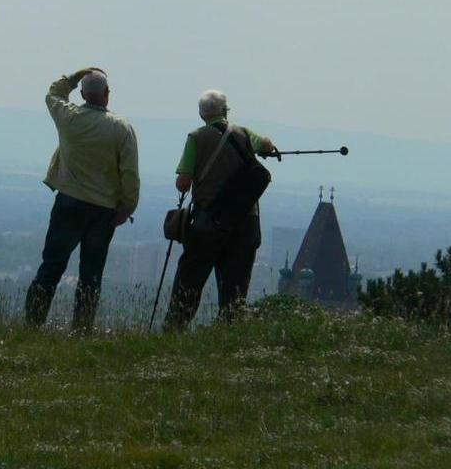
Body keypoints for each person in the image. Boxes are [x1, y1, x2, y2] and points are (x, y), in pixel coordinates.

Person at [25, 67, 140, 331]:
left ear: (84, 94)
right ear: (107, 95)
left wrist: (76, 76)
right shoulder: (121, 128)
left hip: (68, 203)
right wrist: (127, 206)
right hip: (103, 211)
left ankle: (32, 323)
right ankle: (82, 328)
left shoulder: (70, 118)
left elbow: (53, 94)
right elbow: (130, 173)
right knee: (91, 275)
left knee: (51, 266)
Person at [163, 90, 276, 330]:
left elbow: (183, 182)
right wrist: (265, 148)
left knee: (190, 279)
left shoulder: (196, 137)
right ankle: (228, 332)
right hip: (245, 223)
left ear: (201, 114)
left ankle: (175, 327)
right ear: (226, 111)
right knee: (235, 286)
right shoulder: (243, 134)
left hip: (207, 222)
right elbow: (266, 144)